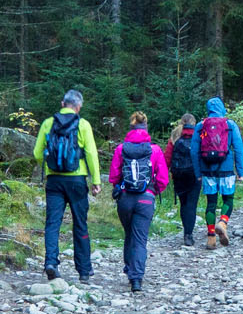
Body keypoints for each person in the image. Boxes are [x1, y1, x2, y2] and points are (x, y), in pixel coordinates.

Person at [31, 89, 103, 283]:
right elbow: (91, 154)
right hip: (77, 180)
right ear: (78, 107)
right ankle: (84, 271)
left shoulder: (48, 123)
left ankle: (51, 263)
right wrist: (96, 180)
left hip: (54, 180)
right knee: (80, 223)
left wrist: (51, 164)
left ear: (63, 103)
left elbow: (38, 154)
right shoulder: (83, 124)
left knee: (53, 223)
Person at [108, 111, 170, 292]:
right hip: (146, 199)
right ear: (146, 128)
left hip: (125, 199)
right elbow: (163, 179)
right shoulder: (155, 150)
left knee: (129, 234)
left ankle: (129, 269)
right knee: (140, 239)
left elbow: (113, 176)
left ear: (131, 127)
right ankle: (137, 278)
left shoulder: (121, 149)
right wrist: (152, 191)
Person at [190, 97, 243, 247]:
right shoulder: (230, 124)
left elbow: (194, 151)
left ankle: (211, 237)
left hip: (207, 170)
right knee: (228, 199)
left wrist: (198, 173)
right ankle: (223, 222)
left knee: (211, 203)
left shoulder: (201, 125)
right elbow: (239, 148)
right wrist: (240, 171)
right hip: (226, 169)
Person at [167, 114, 201, 246]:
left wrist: (166, 173)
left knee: (183, 203)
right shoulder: (199, 134)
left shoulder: (175, 135)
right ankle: (189, 234)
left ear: (182, 122)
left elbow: (168, 157)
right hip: (195, 174)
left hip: (178, 174)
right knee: (192, 204)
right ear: (194, 122)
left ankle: (185, 232)